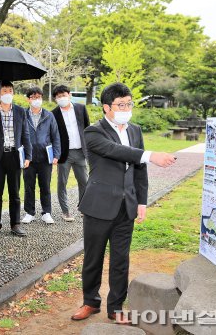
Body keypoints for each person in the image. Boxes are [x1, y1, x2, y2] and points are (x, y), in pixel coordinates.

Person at [71, 83, 176, 324]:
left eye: (129, 104)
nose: (126, 108)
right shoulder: (93, 132)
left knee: (121, 259)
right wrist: (151, 155)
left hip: (126, 206)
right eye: (121, 105)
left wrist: (141, 201)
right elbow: (116, 151)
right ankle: (90, 302)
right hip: (98, 206)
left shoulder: (135, 130)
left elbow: (139, 170)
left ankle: (116, 307)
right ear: (107, 107)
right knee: (93, 258)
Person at [0, 80, 32, 237]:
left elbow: (25, 134)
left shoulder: (20, 111)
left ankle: (15, 224)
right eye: (4, 91)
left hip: (14, 156)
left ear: (13, 93)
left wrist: (28, 155)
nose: (7, 94)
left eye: (10, 91)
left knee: (14, 192)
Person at [22, 87, 61, 224]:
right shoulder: (23, 115)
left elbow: (56, 136)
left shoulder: (49, 115)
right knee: (28, 186)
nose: (36, 100)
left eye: (39, 97)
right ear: (28, 99)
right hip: (28, 158)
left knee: (45, 186)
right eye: (33, 97)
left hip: (45, 157)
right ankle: (29, 212)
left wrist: (56, 154)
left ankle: (47, 212)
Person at [51, 85, 90, 222]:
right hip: (63, 154)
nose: (62, 98)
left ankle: (84, 207)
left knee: (84, 182)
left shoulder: (80, 108)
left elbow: (87, 128)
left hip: (80, 151)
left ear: (69, 94)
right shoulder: (53, 113)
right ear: (55, 98)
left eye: (64, 95)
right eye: (59, 96)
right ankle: (65, 211)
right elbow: (52, 135)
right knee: (62, 182)